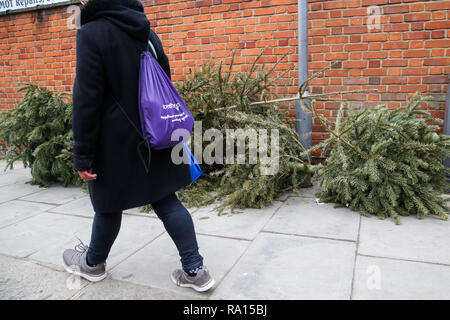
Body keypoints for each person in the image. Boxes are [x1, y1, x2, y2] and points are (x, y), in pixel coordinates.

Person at [62, 0, 214, 293]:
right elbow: (164, 78)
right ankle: (196, 270)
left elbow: (86, 99)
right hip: (156, 133)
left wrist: (83, 155)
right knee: (167, 200)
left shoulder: (91, 32)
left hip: (114, 142)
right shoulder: (144, 28)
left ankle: (92, 264)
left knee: (108, 205)